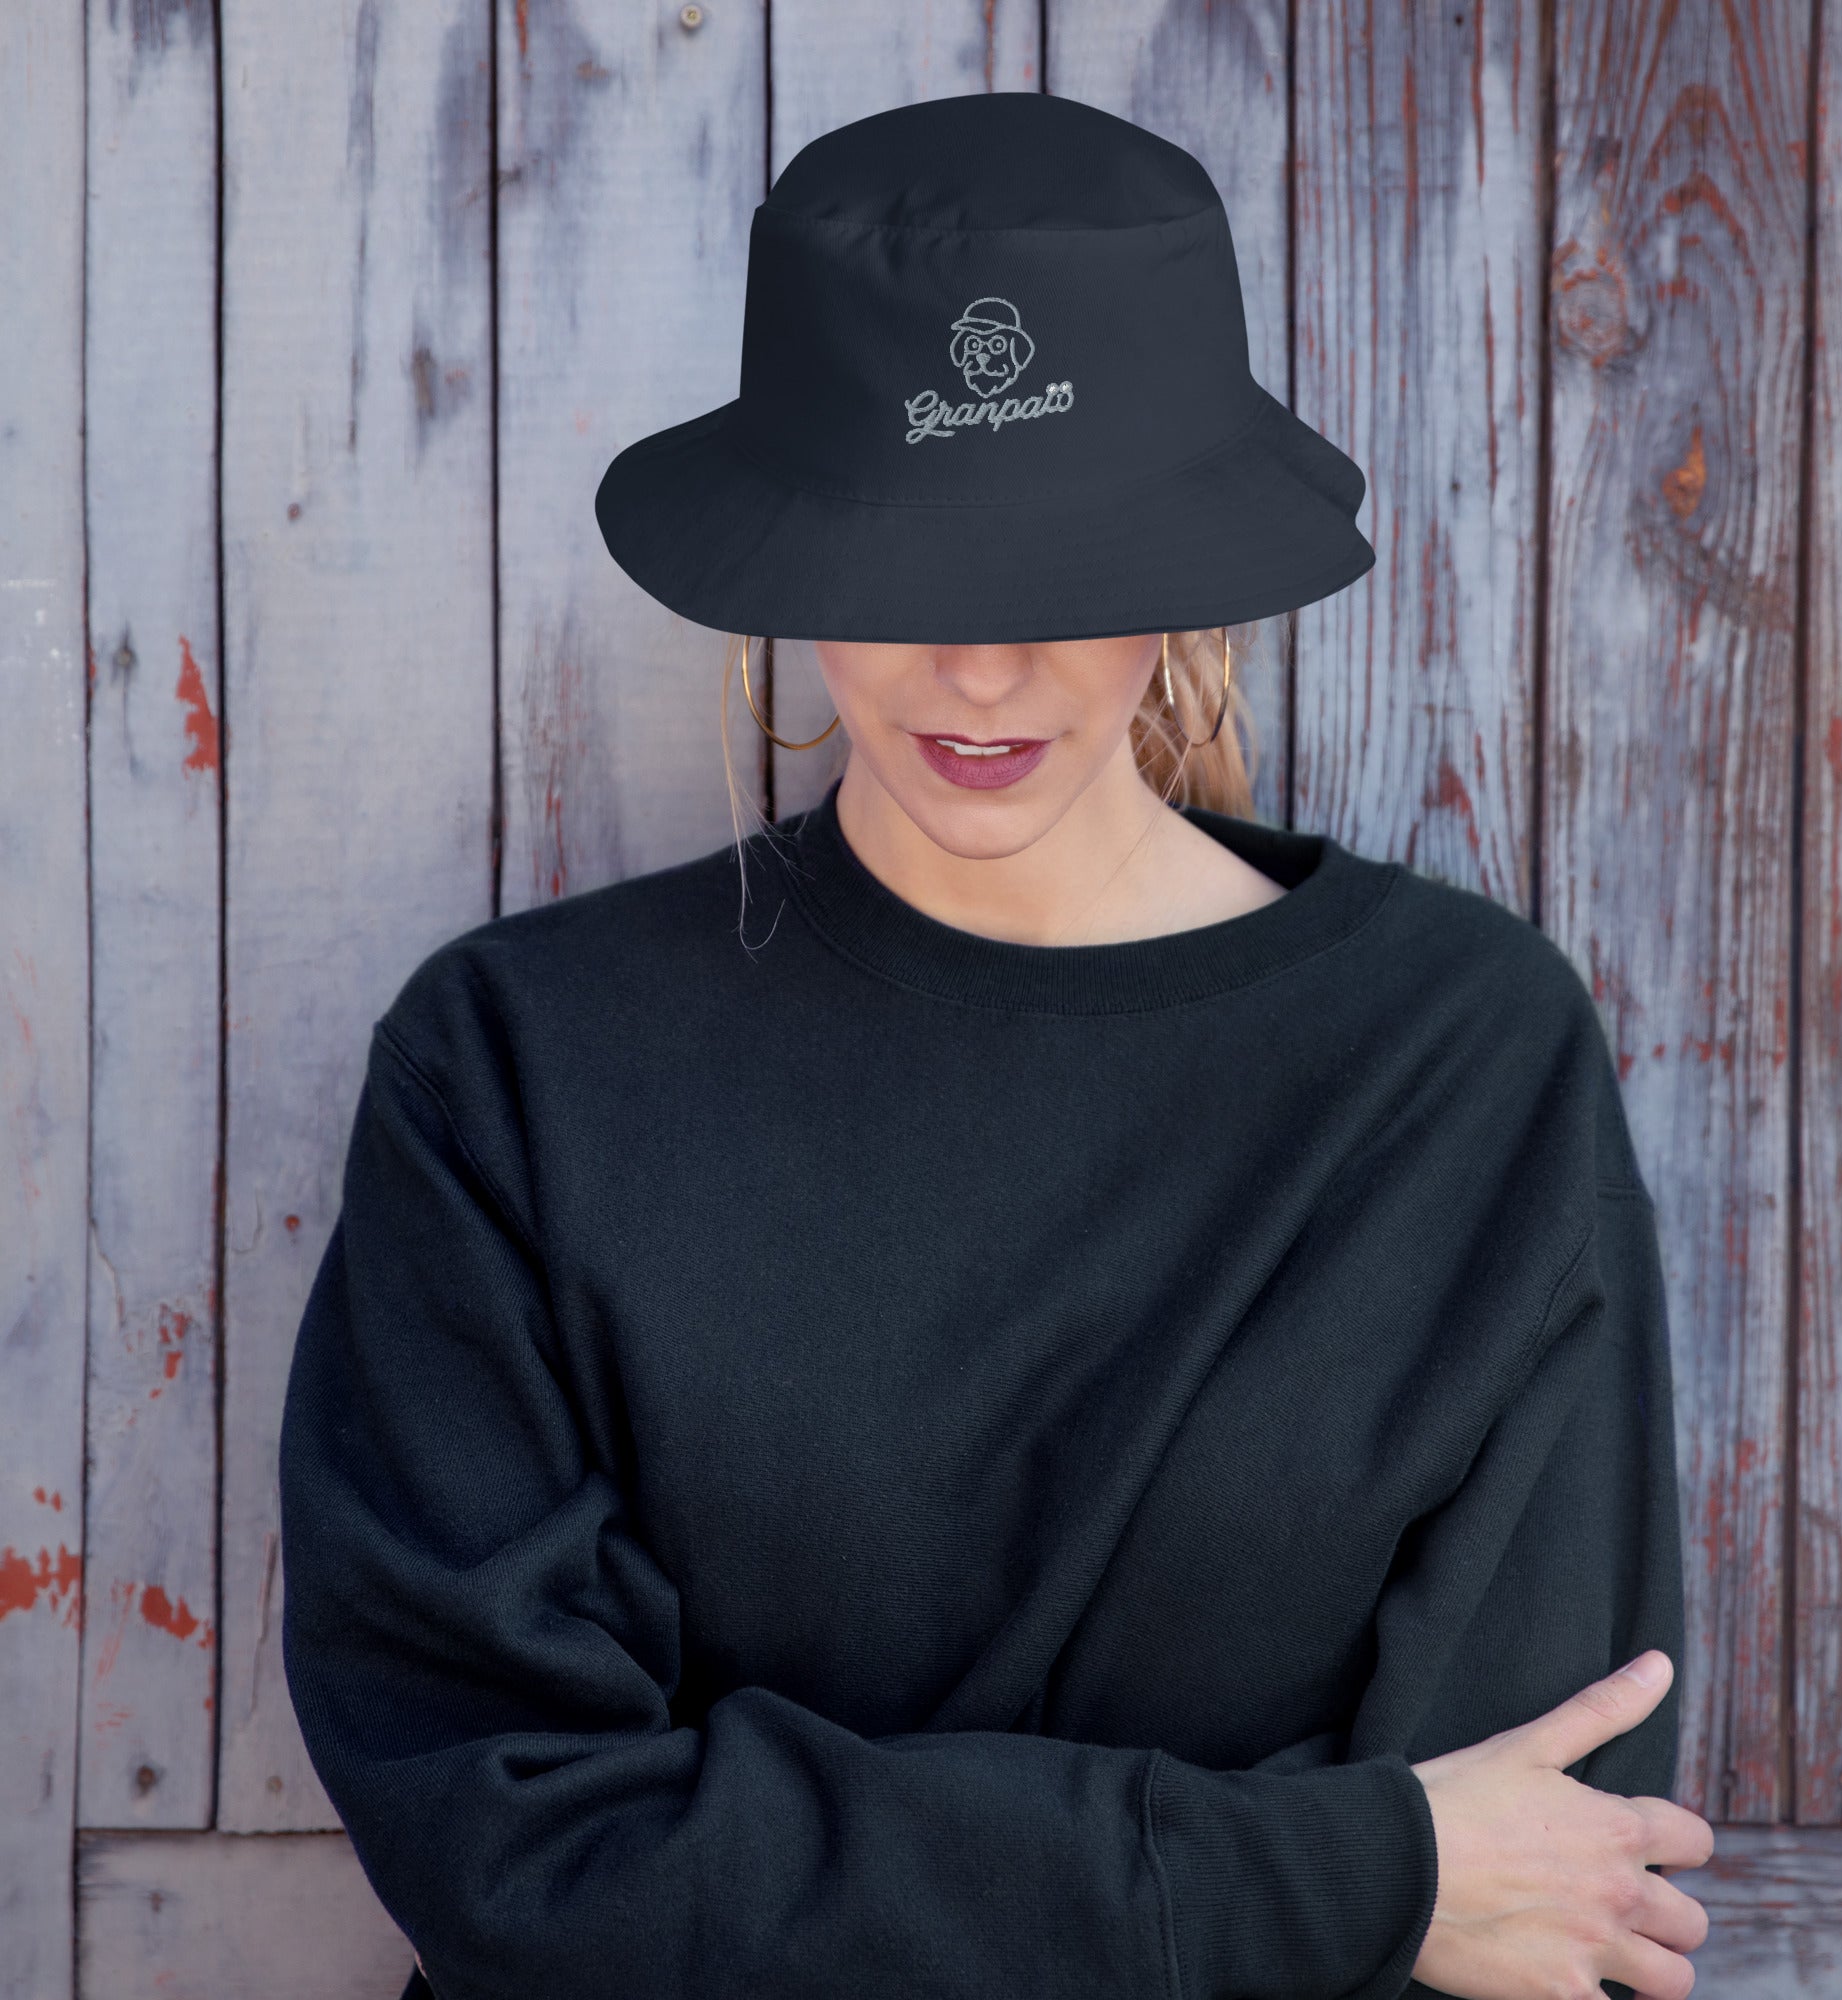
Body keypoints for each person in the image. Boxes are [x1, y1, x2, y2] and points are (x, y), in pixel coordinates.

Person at [278, 92, 1713, 2000]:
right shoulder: (515, 1068)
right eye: (905, 556)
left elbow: (1543, 1887)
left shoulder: (1461, 1064)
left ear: (1194, 563)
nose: (980, 666)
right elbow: (518, 1833)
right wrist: (1336, 1873)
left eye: (1067, 562)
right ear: (788, 546)